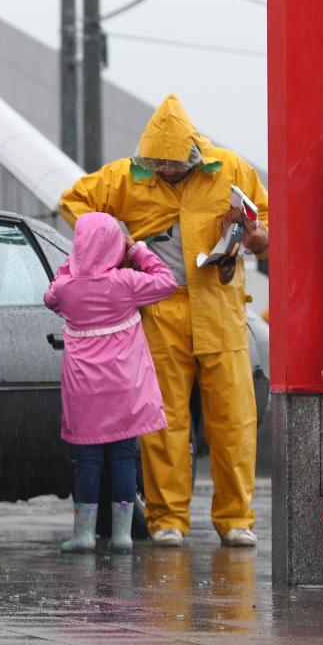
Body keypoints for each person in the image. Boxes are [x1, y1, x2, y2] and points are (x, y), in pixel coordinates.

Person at [59, 94, 269, 547]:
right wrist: (120, 240)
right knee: (163, 419)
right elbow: (73, 202)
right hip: (160, 308)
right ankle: (166, 518)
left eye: (173, 165)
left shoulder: (231, 169)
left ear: (194, 154)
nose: (166, 171)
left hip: (219, 305)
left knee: (233, 417)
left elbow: (266, 222)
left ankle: (236, 519)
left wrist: (253, 234)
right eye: (159, 165)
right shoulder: (125, 177)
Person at [44, 212, 176, 552]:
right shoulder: (126, 283)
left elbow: (50, 296)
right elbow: (166, 281)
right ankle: (122, 536)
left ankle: (85, 535)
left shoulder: (67, 289)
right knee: (123, 458)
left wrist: (73, 262)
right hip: (124, 388)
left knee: (87, 460)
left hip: (84, 389)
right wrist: (138, 251)